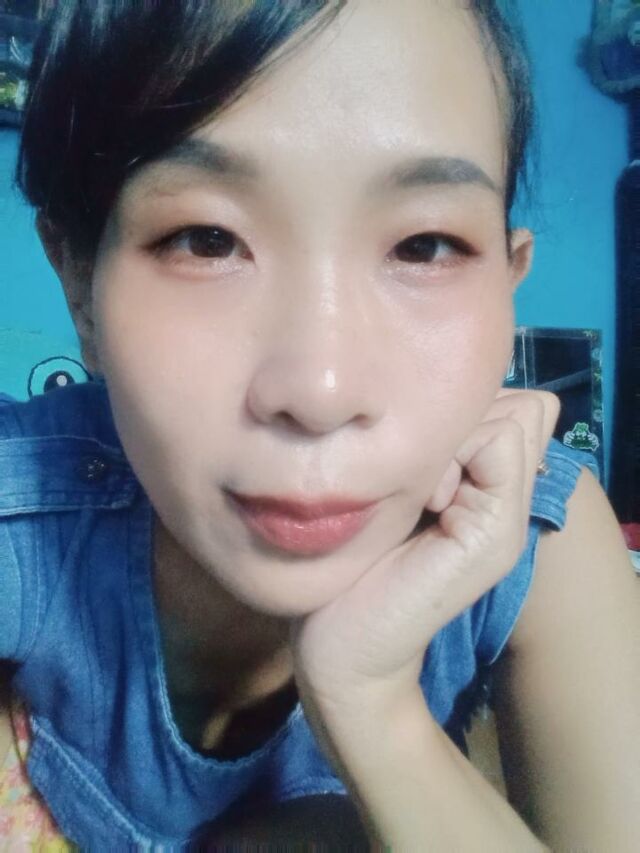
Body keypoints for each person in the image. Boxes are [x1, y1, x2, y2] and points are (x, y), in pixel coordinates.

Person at [1, 0, 639, 848]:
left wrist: (376, 709)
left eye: (424, 246)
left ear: (507, 286)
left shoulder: (547, 541)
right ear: (80, 284)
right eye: (206, 239)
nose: (322, 391)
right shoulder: (24, 506)